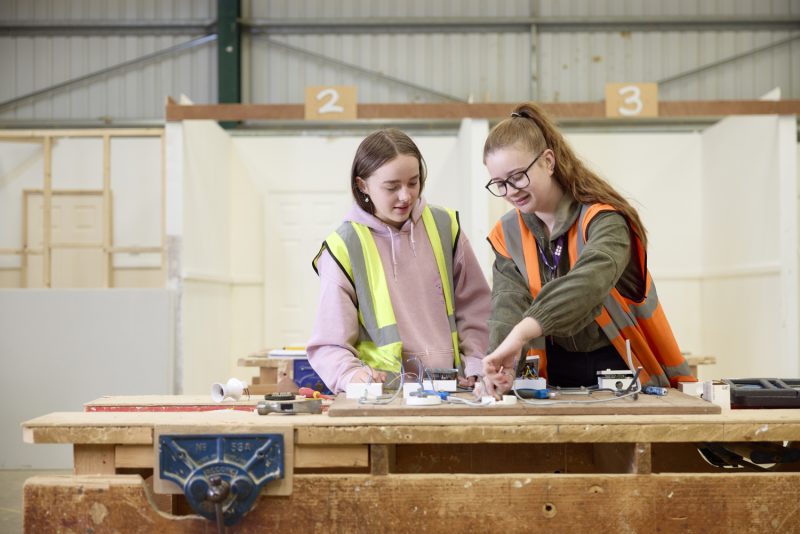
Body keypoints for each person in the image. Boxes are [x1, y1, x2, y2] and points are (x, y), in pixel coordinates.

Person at [480, 103, 696, 396]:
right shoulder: (507, 233)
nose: (510, 191)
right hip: (552, 370)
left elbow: (588, 284)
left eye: (517, 177)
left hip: (621, 364)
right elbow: (507, 304)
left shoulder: (605, 219)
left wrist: (521, 333)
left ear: (548, 161)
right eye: (499, 183)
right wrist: (500, 366)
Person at [307, 128, 491, 393]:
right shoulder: (344, 246)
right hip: (385, 397)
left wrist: (476, 363)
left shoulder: (445, 226)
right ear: (362, 185)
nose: (405, 196)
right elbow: (329, 344)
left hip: (454, 391)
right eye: (392, 187)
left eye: (413, 183)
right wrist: (351, 375)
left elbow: (477, 310)